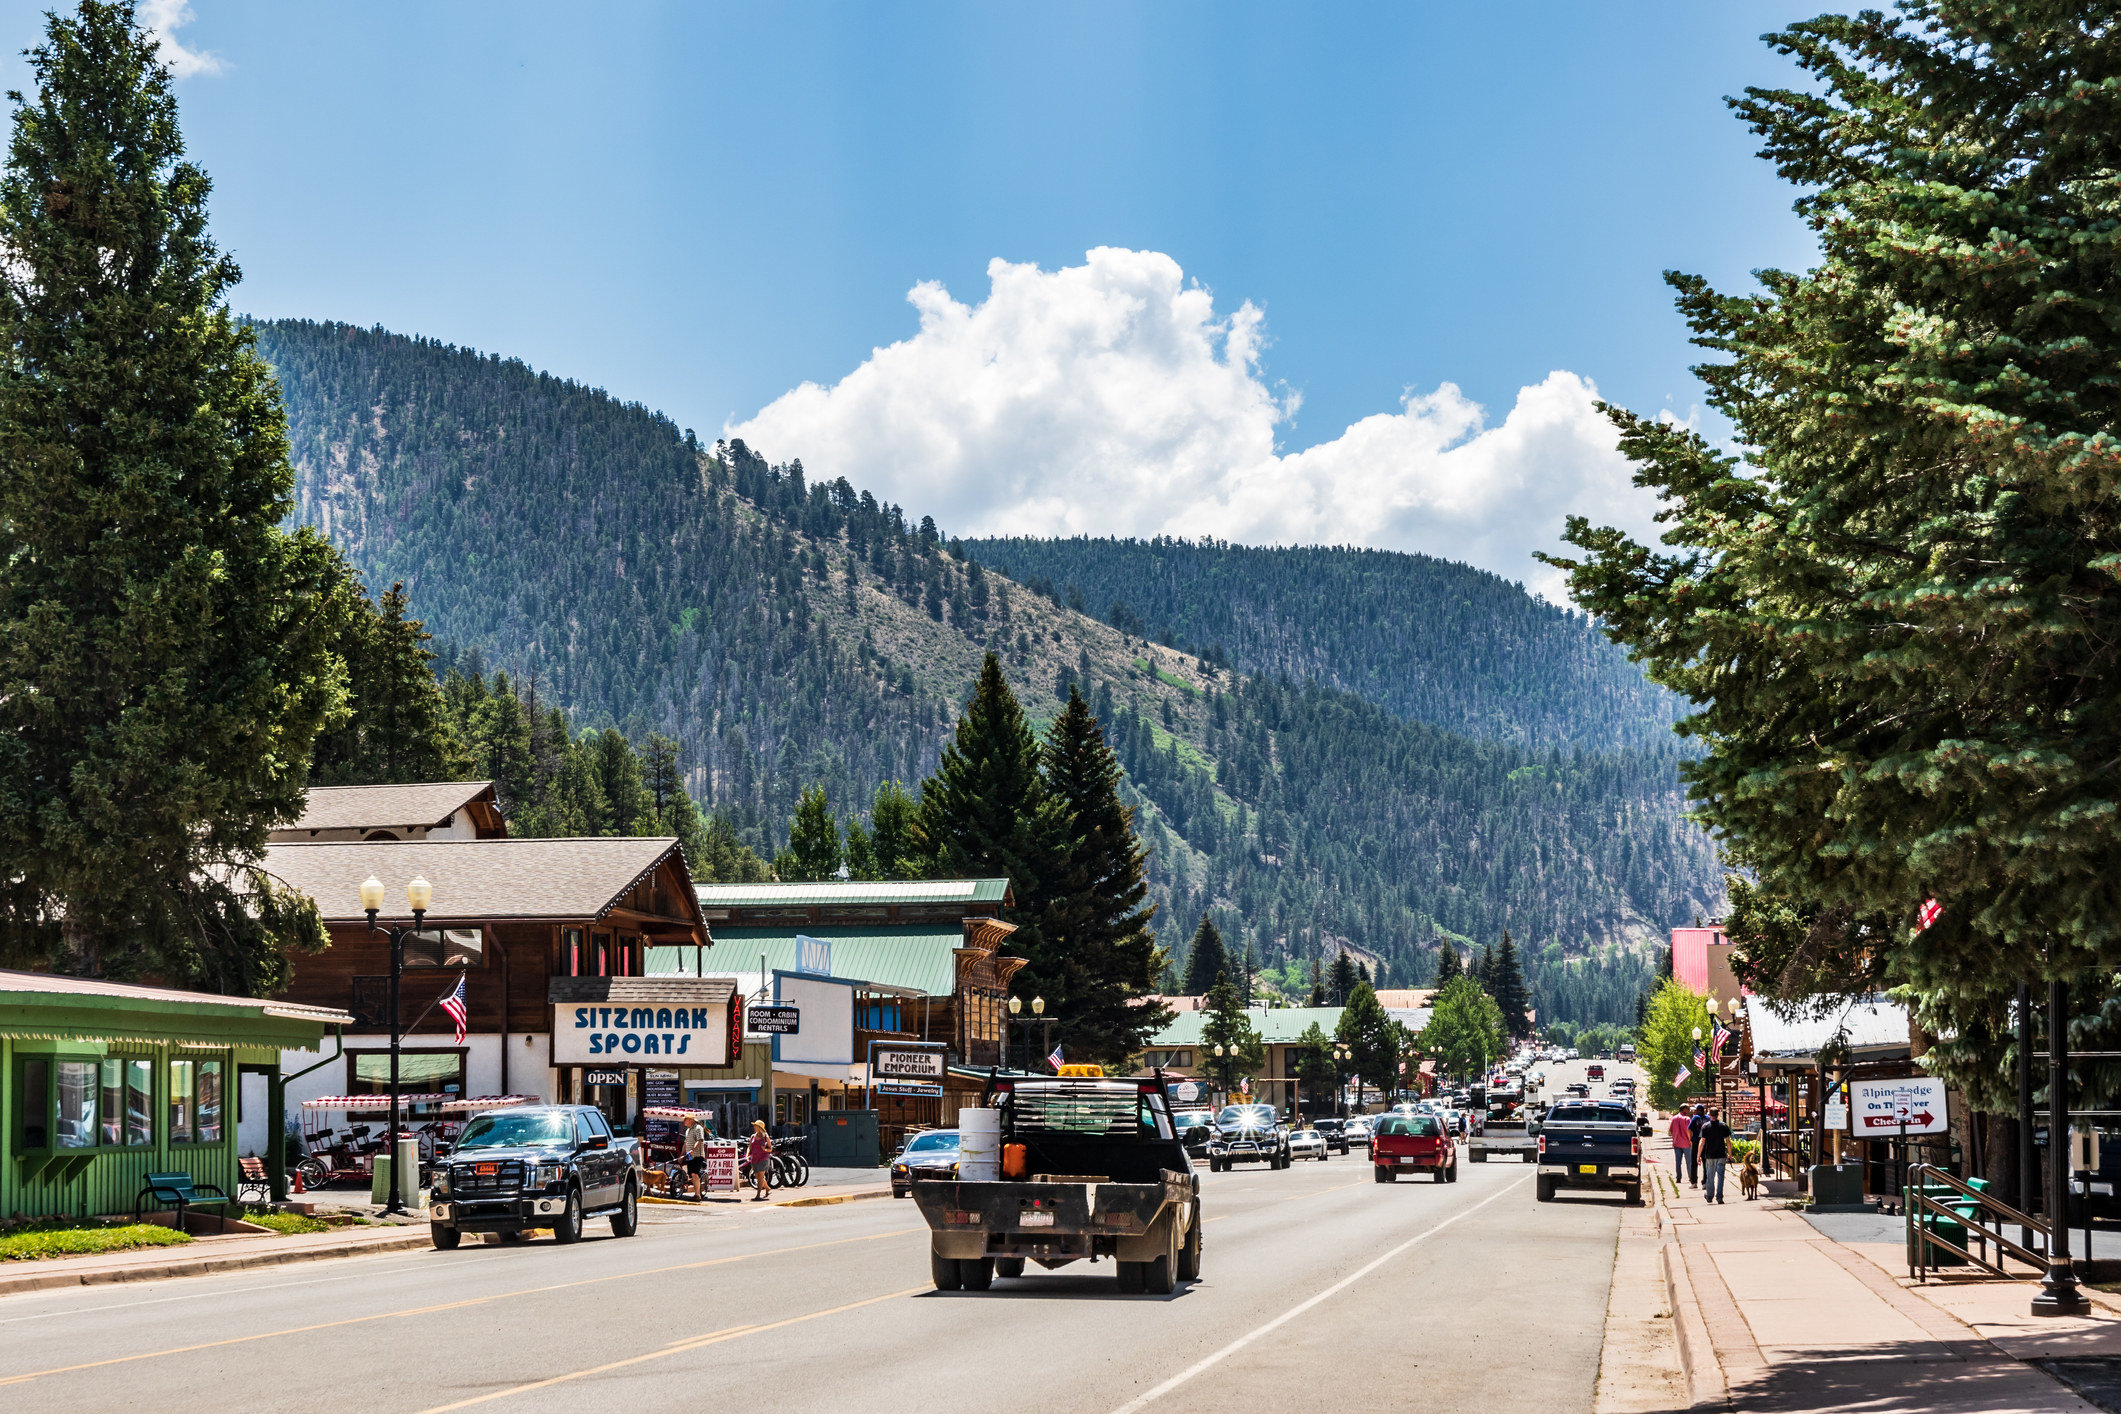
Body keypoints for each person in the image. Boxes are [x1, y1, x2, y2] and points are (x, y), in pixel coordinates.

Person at [1698, 1110, 1732, 1204]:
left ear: (1709, 1115)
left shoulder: (1706, 1126)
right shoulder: (1723, 1125)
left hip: (1710, 1155)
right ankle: (1719, 1197)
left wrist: (1698, 1155)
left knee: (1710, 1176)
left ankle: (1709, 1196)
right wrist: (1730, 1154)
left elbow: (1702, 1141)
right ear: (1718, 1115)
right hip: (1721, 1154)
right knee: (1720, 1176)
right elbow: (1728, 1141)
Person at [1668, 1107, 1697, 1186]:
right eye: (1688, 1109)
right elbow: (1690, 1131)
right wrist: (1691, 1140)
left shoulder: (1674, 1118)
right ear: (1684, 1109)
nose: (1689, 1111)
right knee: (1689, 1161)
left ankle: (1678, 1177)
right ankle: (1691, 1177)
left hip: (1677, 1143)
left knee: (1678, 1161)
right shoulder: (1687, 1119)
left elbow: (1670, 1130)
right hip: (1686, 1143)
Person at [746, 1119, 772, 1201]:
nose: (754, 1127)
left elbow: (770, 1148)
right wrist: (747, 1155)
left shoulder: (765, 1137)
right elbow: (749, 1146)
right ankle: (767, 1188)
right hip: (754, 1158)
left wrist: (765, 1150)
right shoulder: (753, 1136)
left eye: (755, 1126)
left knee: (761, 1176)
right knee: (757, 1176)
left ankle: (758, 1194)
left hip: (763, 1158)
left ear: (759, 1127)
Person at [683, 1113, 707, 1200]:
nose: (684, 1121)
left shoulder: (698, 1128)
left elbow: (699, 1140)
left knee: (694, 1174)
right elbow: (685, 1143)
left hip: (697, 1155)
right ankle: (696, 1194)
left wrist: (693, 1150)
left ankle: (698, 1195)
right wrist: (682, 1154)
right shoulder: (688, 1130)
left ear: (690, 1120)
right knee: (692, 1175)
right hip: (689, 1156)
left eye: (685, 1119)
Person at [1688, 1104, 1710, 1185]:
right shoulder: (1708, 1118)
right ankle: (1705, 1182)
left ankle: (1694, 1182)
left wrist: (1690, 1138)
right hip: (1706, 1142)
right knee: (1705, 1163)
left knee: (1694, 1162)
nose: (1695, 1111)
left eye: (1696, 1110)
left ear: (1699, 1110)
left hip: (1696, 1141)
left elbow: (1689, 1129)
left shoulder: (1695, 1118)